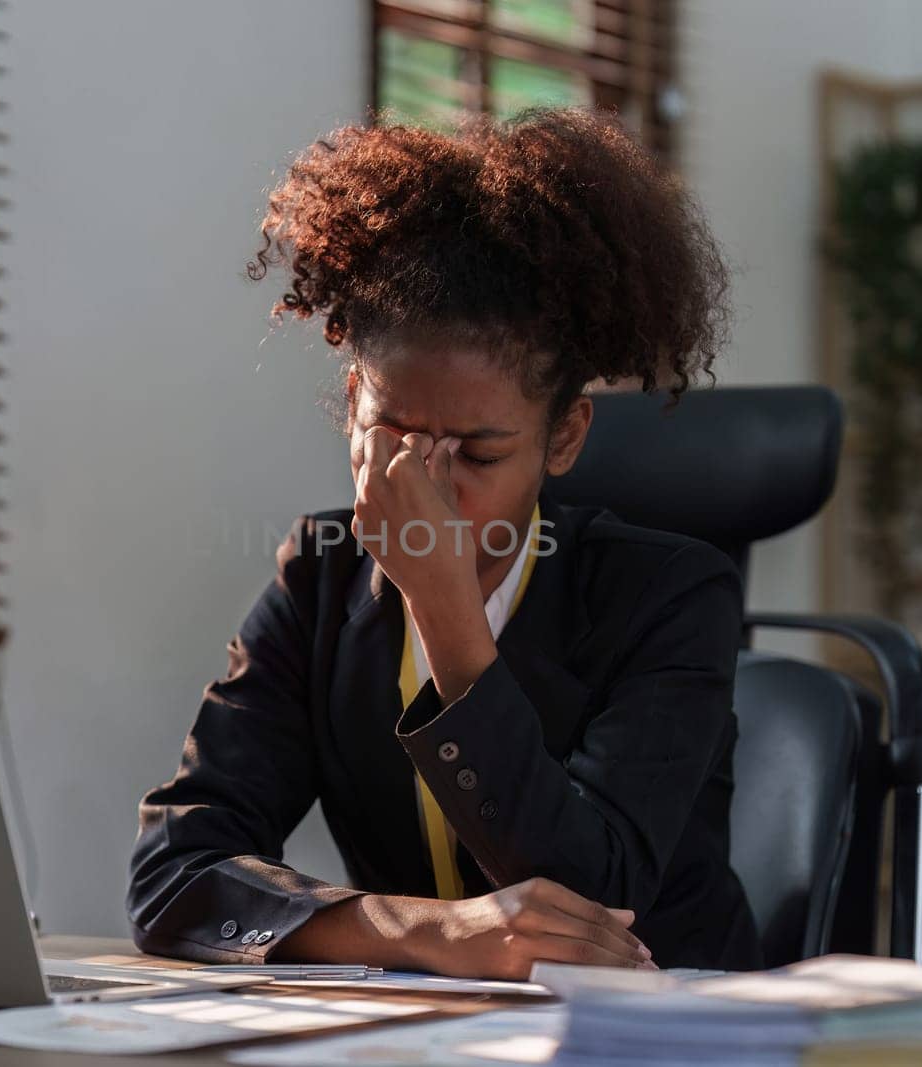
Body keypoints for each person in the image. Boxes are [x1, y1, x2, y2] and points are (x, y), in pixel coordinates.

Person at [126, 107, 763, 978]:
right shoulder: (320, 579)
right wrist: (424, 931)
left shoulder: (674, 594)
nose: (427, 480)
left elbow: (586, 896)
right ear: (353, 403)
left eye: (479, 451)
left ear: (565, 436)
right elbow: (174, 874)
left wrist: (447, 614)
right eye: (393, 432)